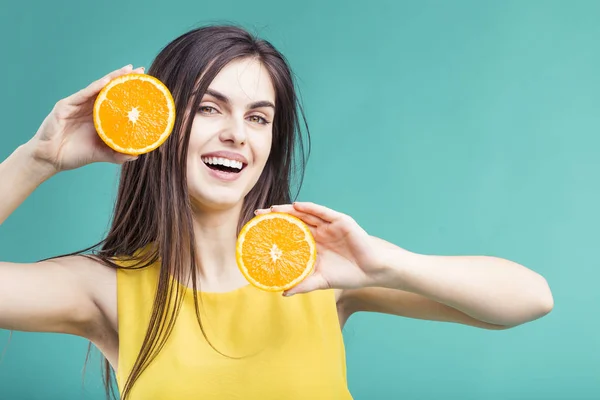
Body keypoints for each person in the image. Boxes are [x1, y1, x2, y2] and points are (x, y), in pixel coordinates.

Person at [0, 25, 553, 400]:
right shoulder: (105, 291)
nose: (236, 134)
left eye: (259, 118)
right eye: (211, 108)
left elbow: (530, 299)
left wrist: (386, 264)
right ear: (162, 124)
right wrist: (36, 159)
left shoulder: (318, 272)